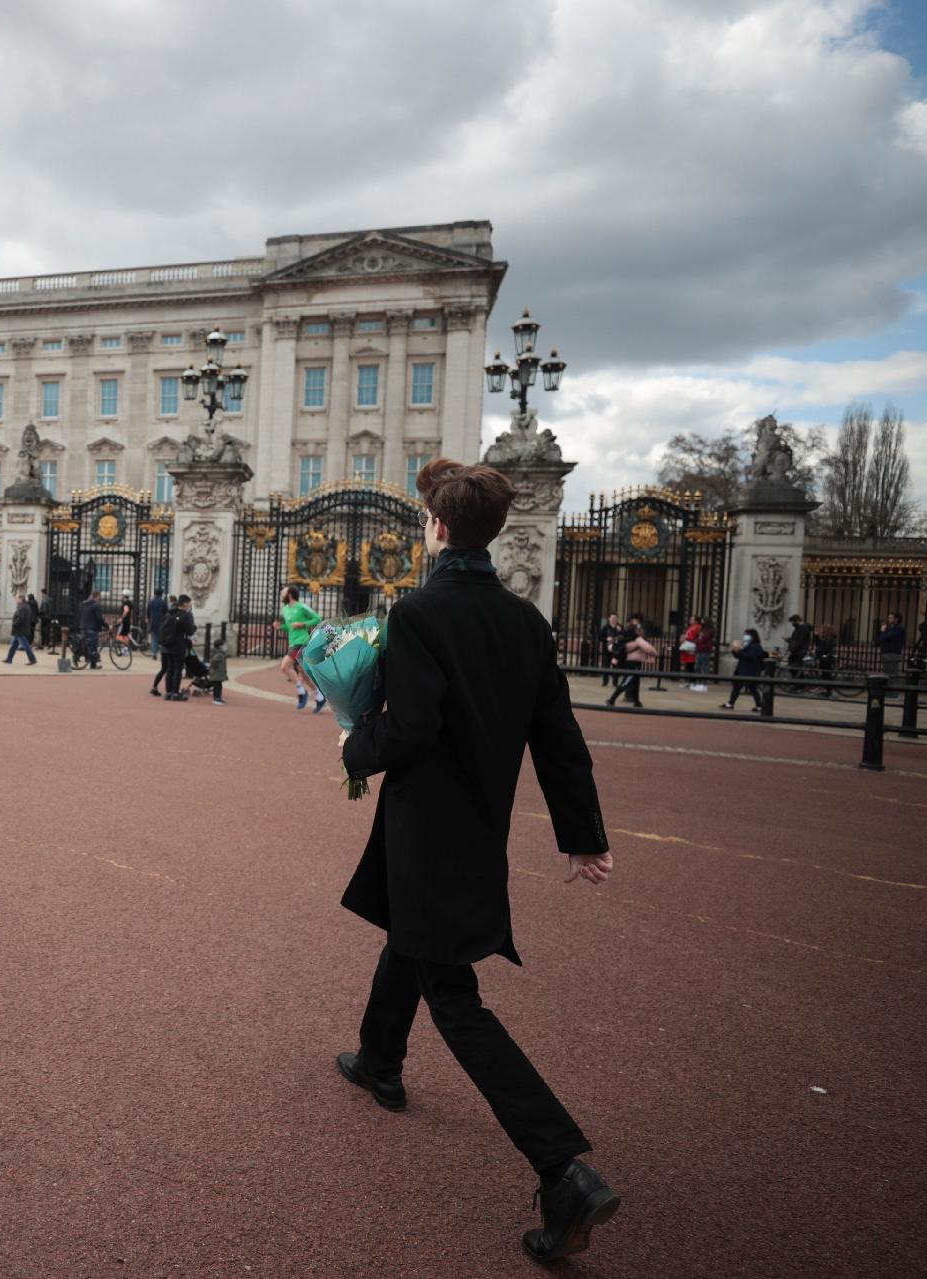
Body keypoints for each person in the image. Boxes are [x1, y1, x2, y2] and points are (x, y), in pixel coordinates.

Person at [336, 457, 618, 1264]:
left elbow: (411, 728)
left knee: (455, 997)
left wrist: (355, 745)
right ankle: (380, 1057)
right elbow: (557, 736)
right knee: (412, 937)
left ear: (437, 527)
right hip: (477, 828)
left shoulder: (419, 612)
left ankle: (562, 1169)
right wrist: (583, 833)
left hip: (427, 828)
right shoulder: (525, 620)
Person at [279, 586, 325, 711]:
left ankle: (302, 692)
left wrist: (303, 624)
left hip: (301, 642)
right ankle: (319, 696)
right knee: (303, 672)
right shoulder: (285, 609)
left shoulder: (301, 606)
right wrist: (280, 627)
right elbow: (289, 627)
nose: (281, 593)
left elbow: (317, 618)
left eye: (283, 592)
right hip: (292, 642)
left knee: (285, 666)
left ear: (289, 594)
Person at [604, 615, 649, 707]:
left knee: (636, 682)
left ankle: (637, 701)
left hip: (635, 661)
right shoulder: (632, 634)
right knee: (626, 682)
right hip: (631, 662)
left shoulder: (628, 632)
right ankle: (611, 699)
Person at [720, 626, 767, 711]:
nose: (745, 636)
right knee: (738, 687)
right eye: (745, 634)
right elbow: (739, 656)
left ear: (753, 636)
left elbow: (750, 656)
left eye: (747, 635)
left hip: (750, 671)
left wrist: (739, 651)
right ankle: (731, 703)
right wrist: (735, 650)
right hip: (742, 670)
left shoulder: (756, 646)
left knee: (752, 689)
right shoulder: (746, 645)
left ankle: (759, 706)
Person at [157, 595, 192, 699]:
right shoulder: (185, 615)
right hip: (178, 646)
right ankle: (175, 692)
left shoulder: (170, 612)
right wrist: (194, 627)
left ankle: (168, 692)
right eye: (189, 603)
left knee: (170, 670)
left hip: (167, 645)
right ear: (184, 603)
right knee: (177, 670)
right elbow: (189, 631)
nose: (189, 605)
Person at [3, 592, 38, 665]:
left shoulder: (23, 607)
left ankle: (32, 659)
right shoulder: (24, 606)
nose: (15, 600)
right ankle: (9, 658)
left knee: (26, 646)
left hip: (20, 630)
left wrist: (15, 624)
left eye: (16, 598)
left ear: (21, 598)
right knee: (13, 646)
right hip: (20, 630)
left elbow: (20, 618)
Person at [75, 589, 105, 669]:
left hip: (82, 627)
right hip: (92, 628)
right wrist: (106, 626)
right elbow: (99, 618)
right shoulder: (96, 605)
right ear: (97, 596)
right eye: (99, 597)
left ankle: (88, 660)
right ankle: (92, 663)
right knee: (93, 646)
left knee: (86, 645)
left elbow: (79, 615)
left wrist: (79, 625)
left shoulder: (84, 604)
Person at [595, 613, 624, 685]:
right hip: (607, 650)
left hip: (616, 650)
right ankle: (605, 681)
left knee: (615, 666)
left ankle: (615, 682)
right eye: (612, 618)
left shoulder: (620, 627)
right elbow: (600, 637)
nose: (614, 620)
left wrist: (619, 632)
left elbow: (623, 636)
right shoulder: (606, 627)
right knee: (606, 665)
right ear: (609, 619)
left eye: (615, 618)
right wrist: (606, 639)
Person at [877, 611, 906, 682]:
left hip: (892, 653)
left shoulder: (899, 628)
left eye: (891, 618)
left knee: (893, 674)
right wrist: (883, 633)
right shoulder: (890, 628)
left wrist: (883, 631)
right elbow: (880, 639)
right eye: (889, 617)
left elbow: (885, 637)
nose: (889, 619)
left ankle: (894, 687)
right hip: (887, 653)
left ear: (896, 619)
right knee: (887, 673)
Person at [146, 589, 167, 660]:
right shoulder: (163, 602)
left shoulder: (151, 602)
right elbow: (166, 612)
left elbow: (148, 612)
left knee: (154, 639)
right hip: (162, 622)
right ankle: (162, 654)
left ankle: (154, 654)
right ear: (161, 594)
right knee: (162, 639)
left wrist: (149, 620)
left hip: (153, 622)